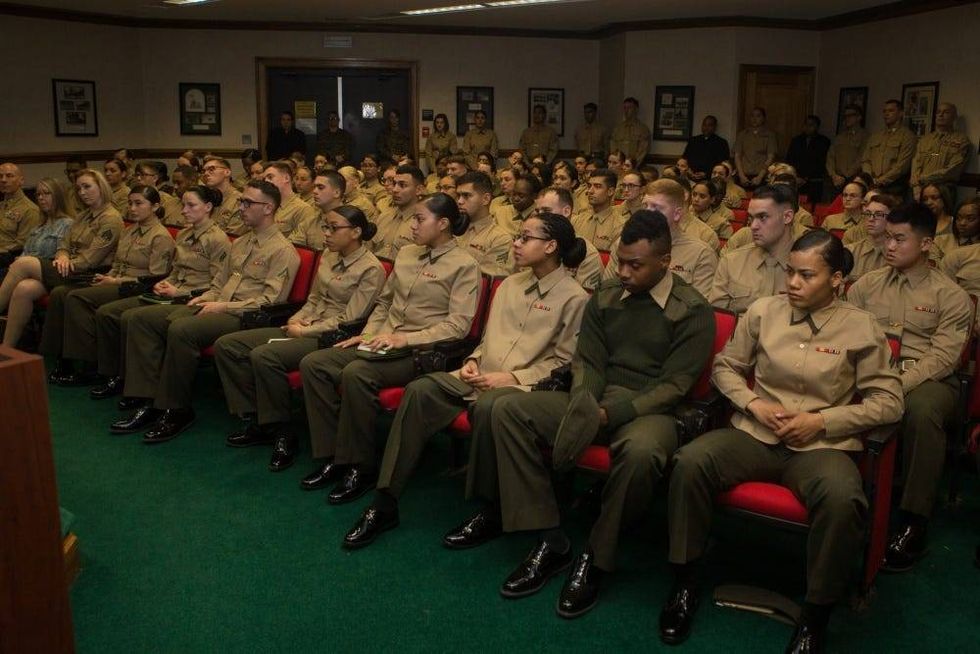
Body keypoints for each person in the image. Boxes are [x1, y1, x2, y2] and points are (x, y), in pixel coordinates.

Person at [457, 210, 712, 617]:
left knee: (641, 454)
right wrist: (585, 404)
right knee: (502, 408)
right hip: (592, 397)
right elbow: (588, 362)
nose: (623, 271)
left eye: (635, 265)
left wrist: (609, 413)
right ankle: (549, 536)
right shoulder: (606, 296)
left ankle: (597, 555)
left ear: (664, 262)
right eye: (620, 261)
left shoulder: (692, 309)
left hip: (652, 409)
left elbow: (674, 386)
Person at [661, 229, 904, 651]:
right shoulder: (763, 311)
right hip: (756, 435)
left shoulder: (860, 327)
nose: (792, 283)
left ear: (836, 280)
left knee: (843, 499)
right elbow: (725, 368)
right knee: (689, 462)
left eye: (806, 275)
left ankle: (816, 613)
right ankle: (686, 579)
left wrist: (822, 421)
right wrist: (752, 404)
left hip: (820, 448)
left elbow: (889, 403)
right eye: (790, 272)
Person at [343, 211, 590, 548]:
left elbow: (563, 364)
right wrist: (473, 361)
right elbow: (488, 339)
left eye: (525, 238)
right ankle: (385, 501)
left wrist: (512, 377)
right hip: (477, 374)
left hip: (519, 387)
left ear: (550, 246)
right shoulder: (509, 285)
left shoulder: (574, 297)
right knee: (420, 390)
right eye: (517, 235)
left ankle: (488, 510)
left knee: (490, 406)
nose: (516, 244)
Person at [297, 193, 480, 502]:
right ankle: (333, 456)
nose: (413, 225)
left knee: (356, 373)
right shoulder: (408, 253)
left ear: (444, 223)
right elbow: (384, 304)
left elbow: (457, 326)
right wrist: (368, 334)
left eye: (420, 219)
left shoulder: (464, 264)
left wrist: (404, 339)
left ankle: (361, 467)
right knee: (314, 364)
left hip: (421, 352)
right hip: (381, 342)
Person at [109, 180, 300, 443]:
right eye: (241, 201)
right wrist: (202, 298)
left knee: (181, 329)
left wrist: (222, 305)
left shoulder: (283, 250)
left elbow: (269, 300)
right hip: (216, 305)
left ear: (268, 208)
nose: (240, 207)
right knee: (143, 319)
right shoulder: (242, 242)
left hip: (244, 317)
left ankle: (176, 410)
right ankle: (148, 399)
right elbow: (218, 284)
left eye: (247, 203)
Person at [847, 203, 972, 574]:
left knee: (922, 411)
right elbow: (845, 331)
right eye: (887, 237)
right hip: (871, 369)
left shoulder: (952, 297)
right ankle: (844, 499)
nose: (889, 246)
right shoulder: (866, 285)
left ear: (927, 244)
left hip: (926, 379)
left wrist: (896, 385)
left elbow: (943, 358)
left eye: (900, 239)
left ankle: (914, 520)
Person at [214, 205, 386, 470]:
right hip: (306, 323)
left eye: (333, 228)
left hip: (329, 335)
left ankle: (282, 431)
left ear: (356, 232)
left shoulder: (370, 268)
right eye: (325, 227)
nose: (326, 234)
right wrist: (297, 317)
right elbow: (314, 298)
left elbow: (349, 319)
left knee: (264, 355)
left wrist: (304, 330)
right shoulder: (329, 257)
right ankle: (258, 417)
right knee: (229, 345)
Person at [80, 186, 231, 402]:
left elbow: (217, 285)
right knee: (110, 312)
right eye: (183, 205)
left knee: (137, 318)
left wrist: (177, 291)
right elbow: (176, 270)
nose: (184, 211)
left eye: (191, 205)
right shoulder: (185, 233)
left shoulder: (218, 239)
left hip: (193, 298)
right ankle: (120, 376)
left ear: (207, 207)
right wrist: (165, 283)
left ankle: (143, 392)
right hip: (171, 293)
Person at [45, 185, 176, 382]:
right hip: (114, 279)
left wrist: (114, 280)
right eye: (130, 203)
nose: (132, 208)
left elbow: (155, 278)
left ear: (155, 206)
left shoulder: (160, 236)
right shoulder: (129, 231)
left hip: (135, 287)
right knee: (61, 292)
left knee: (77, 297)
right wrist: (106, 278)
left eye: (139, 203)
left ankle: (89, 365)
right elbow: (117, 264)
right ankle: (62, 356)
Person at [0, 169, 122, 349]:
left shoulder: (111, 218)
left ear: (102, 187)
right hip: (68, 267)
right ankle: (7, 349)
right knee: (24, 288)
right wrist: (63, 255)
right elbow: (64, 243)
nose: (82, 192)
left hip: (89, 274)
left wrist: (66, 262)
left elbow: (90, 260)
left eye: (87, 187)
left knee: (23, 264)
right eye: (79, 188)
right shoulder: (83, 215)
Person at [606, 179, 718, 298]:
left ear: (677, 214)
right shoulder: (623, 244)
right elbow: (606, 292)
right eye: (645, 205)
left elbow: (696, 308)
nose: (648, 213)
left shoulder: (701, 254)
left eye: (657, 208)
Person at [710, 184, 797, 313]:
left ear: (787, 217)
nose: (753, 226)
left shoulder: (811, 268)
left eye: (763, 217)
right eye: (751, 218)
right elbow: (718, 320)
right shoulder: (732, 262)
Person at [530, 187, 604, 292]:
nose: (540, 216)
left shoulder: (587, 254)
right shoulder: (531, 244)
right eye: (538, 211)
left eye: (546, 210)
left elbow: (582, 300)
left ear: (566, 211)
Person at [2, 178, 72, 281]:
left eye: (46, 193)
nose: (41, 198)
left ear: (58, 196)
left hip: (45, 270)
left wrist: (24, 261)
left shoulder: (67, 223)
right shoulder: (38, 227)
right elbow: (25, 251)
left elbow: (61, 253)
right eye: (38, 194)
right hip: (23, 268)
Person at [453, 171, 512, 276]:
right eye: (458, 195)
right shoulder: (450, 229)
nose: (460, 201)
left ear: (485, 199)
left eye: (466, 195)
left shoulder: (500, 238)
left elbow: (486, 280)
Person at [910, 102, 971, 200]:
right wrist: (916, 186)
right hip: (919, 189)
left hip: (943, 190)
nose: (941, 115)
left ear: (954, 117)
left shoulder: (961, 140)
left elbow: (953, 169)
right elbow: (916, 162)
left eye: (946, 112)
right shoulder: (925, 139)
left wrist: (923, 179)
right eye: (938, 112)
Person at [862, 99, 917, 197]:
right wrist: (870, 178)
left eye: (891, 111)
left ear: (901, 113)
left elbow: (902, 166)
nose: (886, 114)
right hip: (872, 185)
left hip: (894, 187)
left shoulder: (907, 136)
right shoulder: (875, 136)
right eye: (885, 111)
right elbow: (865, 160)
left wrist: (881, 181)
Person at [372, 164, 424, 261]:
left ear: (419, 190)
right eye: (394, 184)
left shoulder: (424, 223)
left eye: (402, 185)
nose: (395, 189)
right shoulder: (383, 217)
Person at [845, 194, 898, 282]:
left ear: (892, 218)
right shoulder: (850, 251)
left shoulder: (900, 255)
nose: (871, 218)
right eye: (868, 213)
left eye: (878, 214)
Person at [290, 170, 346, 251]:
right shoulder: (310, 221)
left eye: (320, 188)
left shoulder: (351, 222)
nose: (314, 191)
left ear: (336, 192)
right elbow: (292, 248)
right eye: (314, 187)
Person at [572, 169, 625, 252]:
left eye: (597, 186)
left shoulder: (620, 226)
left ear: (610, 191)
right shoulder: (577, 220)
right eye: (589, 186)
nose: (590, 191)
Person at [0, 163, 41, 268]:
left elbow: (24, 243)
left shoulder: (30, 209)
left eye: (9, 176)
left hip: (10, 257)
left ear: (21, 181)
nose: (3, 180)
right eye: (0, 176)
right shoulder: (2, 205)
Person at [786, 115, 831, 204]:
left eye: (811, 125)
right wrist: (795, 176)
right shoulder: (796, 140)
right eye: (806, 124)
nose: (808, 127)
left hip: (814, 181)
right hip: (796, 180)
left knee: (812, 205)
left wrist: (806, 178)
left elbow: (822, 162)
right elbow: (790, 159)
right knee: (794, 204)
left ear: (817, 127)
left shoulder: (824, 141)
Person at [264, 161, 316, 237]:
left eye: (270, 177)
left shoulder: (303, 209)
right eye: (264, 178)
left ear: (286, 178)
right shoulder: (266, 206)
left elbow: (299, 244)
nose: (266, 181)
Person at [826, 105, 868, 196]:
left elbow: (862, 158)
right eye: (845, 116)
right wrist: (833, 175)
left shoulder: (865, 136)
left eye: (850, 115)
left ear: (859, 117)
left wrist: (845, 176)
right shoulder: (839, 137)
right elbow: (830, 157)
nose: (847, 118)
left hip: (853, 179)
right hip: (835, 180)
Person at [733, 108, 777, 189]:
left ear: (763, 118)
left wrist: (760, 177)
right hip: (743, 175)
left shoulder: (769, 135)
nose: (754, 119)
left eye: (758, 116)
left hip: (761, 176)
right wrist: (741, 175)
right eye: (752, 116)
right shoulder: (742, 134)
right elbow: (737, 156)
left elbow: (770, 157)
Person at [201, 156, 246, 236]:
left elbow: (231, 237)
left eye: (211, 169)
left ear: (227, 172)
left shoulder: (240, 201)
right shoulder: (204, 199)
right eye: (204, 171)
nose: (206, 174)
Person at [134, 161, 184, 227]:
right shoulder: (132, 198)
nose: (139, 178)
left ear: (155, 178)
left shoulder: (166, 200)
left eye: (143, 175)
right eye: (137, 175)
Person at [682, 115, 730, 180]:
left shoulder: (721, 143)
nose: (706, 127)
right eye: (704, 125)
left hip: (711, 179)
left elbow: (723, 164)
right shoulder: (693, 140)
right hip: (691, 177)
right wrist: (688, 171)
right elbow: (685, 158)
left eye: (709, 125)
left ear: (715, 127)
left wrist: (707, 174)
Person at [608, 97, 650, 163]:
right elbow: (613, 148)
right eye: (625, 108)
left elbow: (643, 150)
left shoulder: (643, 129)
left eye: (629, 108)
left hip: (635, 165)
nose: (626, 110)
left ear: (636, 109)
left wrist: (632, 164)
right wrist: (617, 162)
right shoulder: (617, 129)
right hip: (619, 164)